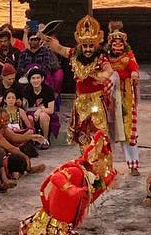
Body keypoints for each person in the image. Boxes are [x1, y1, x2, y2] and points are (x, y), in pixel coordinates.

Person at [43, 17, 112, 154]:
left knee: (99, 133)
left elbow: (109, 70)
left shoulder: (101, 57)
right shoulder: (74, 54)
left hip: (97, 101)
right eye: (85, 46)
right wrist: (45, 37)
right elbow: (59, 48)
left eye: (91, 46)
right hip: (80, 102)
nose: (88, 49)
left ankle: (100, 165)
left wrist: (100, 76)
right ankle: (85, 161)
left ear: (96, 45)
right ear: (80, 45)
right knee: (82, 135)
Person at [106, 26, 140, 173]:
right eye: (115, 44)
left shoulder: (129, 55)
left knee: (127, 131)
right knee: (107, 131)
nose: (117, 46)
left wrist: (134, 74)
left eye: (120, 44)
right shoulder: (105, 57)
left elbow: (134, 67)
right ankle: (106, 166)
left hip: (124, 96)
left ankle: (133, 165)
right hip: (108, 95)